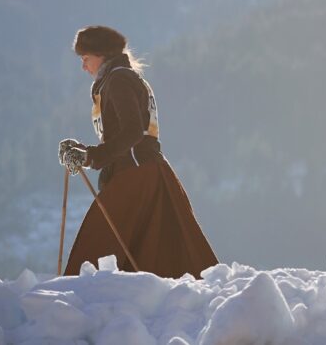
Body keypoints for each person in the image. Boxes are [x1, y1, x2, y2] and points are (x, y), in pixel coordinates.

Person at [59, 25, 218, 277]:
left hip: (136, 178)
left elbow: (133, 132)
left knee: (98, 249)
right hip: (147, 173)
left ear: (101, 55)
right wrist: (85, 153)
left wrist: (92, 157)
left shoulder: (119, 80)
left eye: (85, 58)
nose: (83, 66)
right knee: (153, 253)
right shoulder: (123, 78)